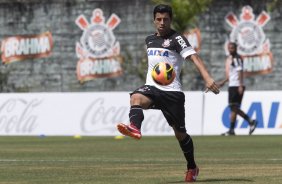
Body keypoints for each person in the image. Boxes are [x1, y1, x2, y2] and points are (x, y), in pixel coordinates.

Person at [117, 4, 219, 182]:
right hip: (152, 88)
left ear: (170, 20)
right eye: (158, 19)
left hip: (173, 93)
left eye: (165, 19)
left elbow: (194, 57)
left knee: (180, 134)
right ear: (154, 20)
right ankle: (135, 127)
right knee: (136, 98)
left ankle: (192, 167)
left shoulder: (177, 38)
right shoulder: (149, 40)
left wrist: (208, 78)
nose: (162, 22)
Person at [218, 42, 257, 136]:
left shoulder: (237, 58)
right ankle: (235, 128)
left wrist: (240, 85)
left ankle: (248, 122)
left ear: (235, 48)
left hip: (236, 86)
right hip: (232, 85)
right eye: (229, 48)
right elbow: (232, 74)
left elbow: (240, 72)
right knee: (233, 108)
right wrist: (223, 82)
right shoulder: (232, 59)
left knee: (233, 107)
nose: (230, 49)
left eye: (232, 48)